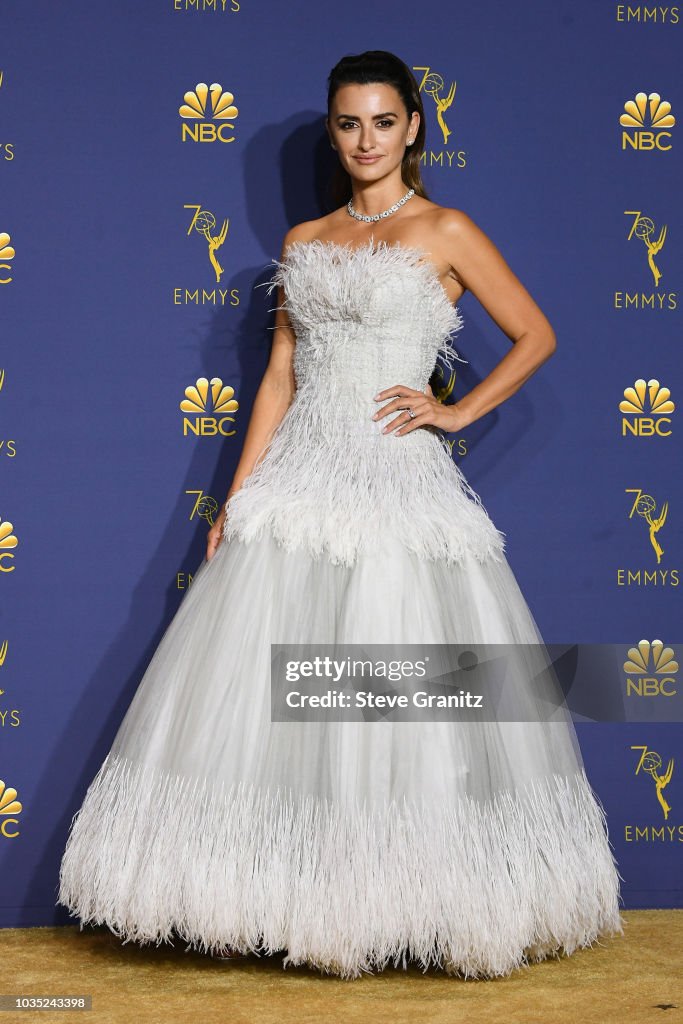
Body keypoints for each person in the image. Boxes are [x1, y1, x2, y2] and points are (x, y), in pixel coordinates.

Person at [57, 49, 624, 980]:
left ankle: (414, 903)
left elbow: (537, 334)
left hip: (397, 484)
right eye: (349, 123)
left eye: (384, 122)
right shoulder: (305, 240)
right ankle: (283, 902)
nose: (366, 140)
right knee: (273, 705)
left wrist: (455, 411)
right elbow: (280, 374)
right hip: (299, 483)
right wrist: (239, 497)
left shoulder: (446, 229)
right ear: (334, 130)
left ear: (414, 128)